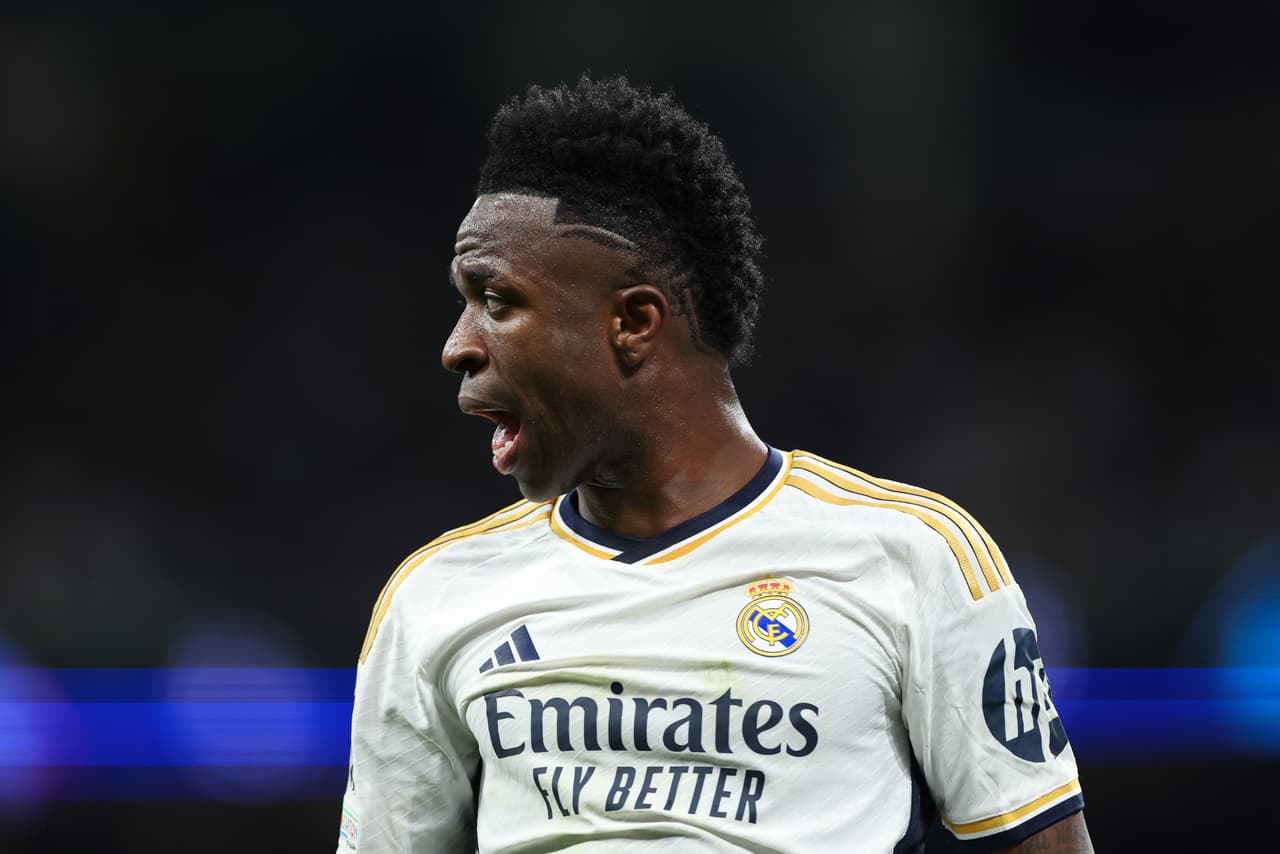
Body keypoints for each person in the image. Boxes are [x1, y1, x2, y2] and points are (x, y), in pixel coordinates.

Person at [337, 74, 1093, 853]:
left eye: (496, 302)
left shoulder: (913, 558)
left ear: (634, 322)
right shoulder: (436, 598)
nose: (457, 346)